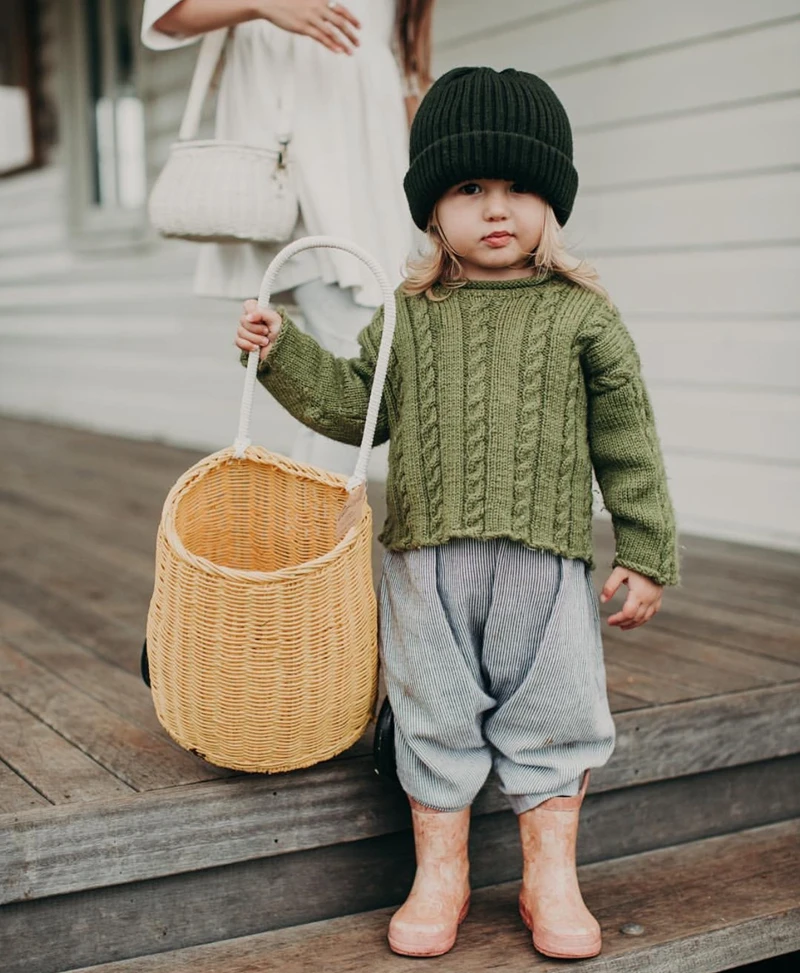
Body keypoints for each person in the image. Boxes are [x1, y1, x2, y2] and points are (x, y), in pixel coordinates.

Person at [235, 67, 680, 960]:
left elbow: (628, 439)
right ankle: (441, 874)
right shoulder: (406, 315)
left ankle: (549, 878)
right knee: (432, 709)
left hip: (545, 567)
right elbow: (355, 406)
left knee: (553, 711)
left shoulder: (584, 319)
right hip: (423, 566)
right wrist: (281, 354)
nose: (497, 208)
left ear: (553, 204)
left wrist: (644, 546)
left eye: (519, 187)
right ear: (433, 209)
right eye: (470, 188)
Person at [142, 0, 433, 473]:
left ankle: (308, 535)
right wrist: (263, 4)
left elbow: (406, 61)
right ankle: (320, 538)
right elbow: (165, 14)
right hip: (301, 162)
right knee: (356, 365)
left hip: (373, 170)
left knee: (338, 366)